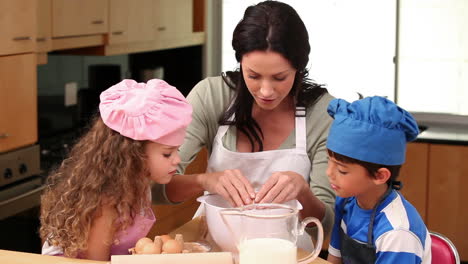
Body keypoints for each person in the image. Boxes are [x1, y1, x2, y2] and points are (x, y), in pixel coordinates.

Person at [153, 0, 336, 236]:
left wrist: (302, 191)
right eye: (253, 75)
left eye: (279, 77)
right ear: (240, 63)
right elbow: (154, 188)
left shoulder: (323, 113)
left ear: (299, 68)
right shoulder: (212, 96)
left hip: (288, 252)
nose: (266, 90)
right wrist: (205, 181)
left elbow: (326, 225)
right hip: (214, 245)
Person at [40, 79, 192, 260]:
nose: (177, 160)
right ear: (135, 155)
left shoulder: (138, 182)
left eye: (178, 150)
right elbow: (96, 261)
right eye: (167, 154)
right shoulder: (106, 202)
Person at [325, 96, 431, 263]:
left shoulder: (397, 232)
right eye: (328, 161)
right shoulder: (345, 203)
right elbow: (333, 260)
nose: (328, 173)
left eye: (342, 170)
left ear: (380, 176)